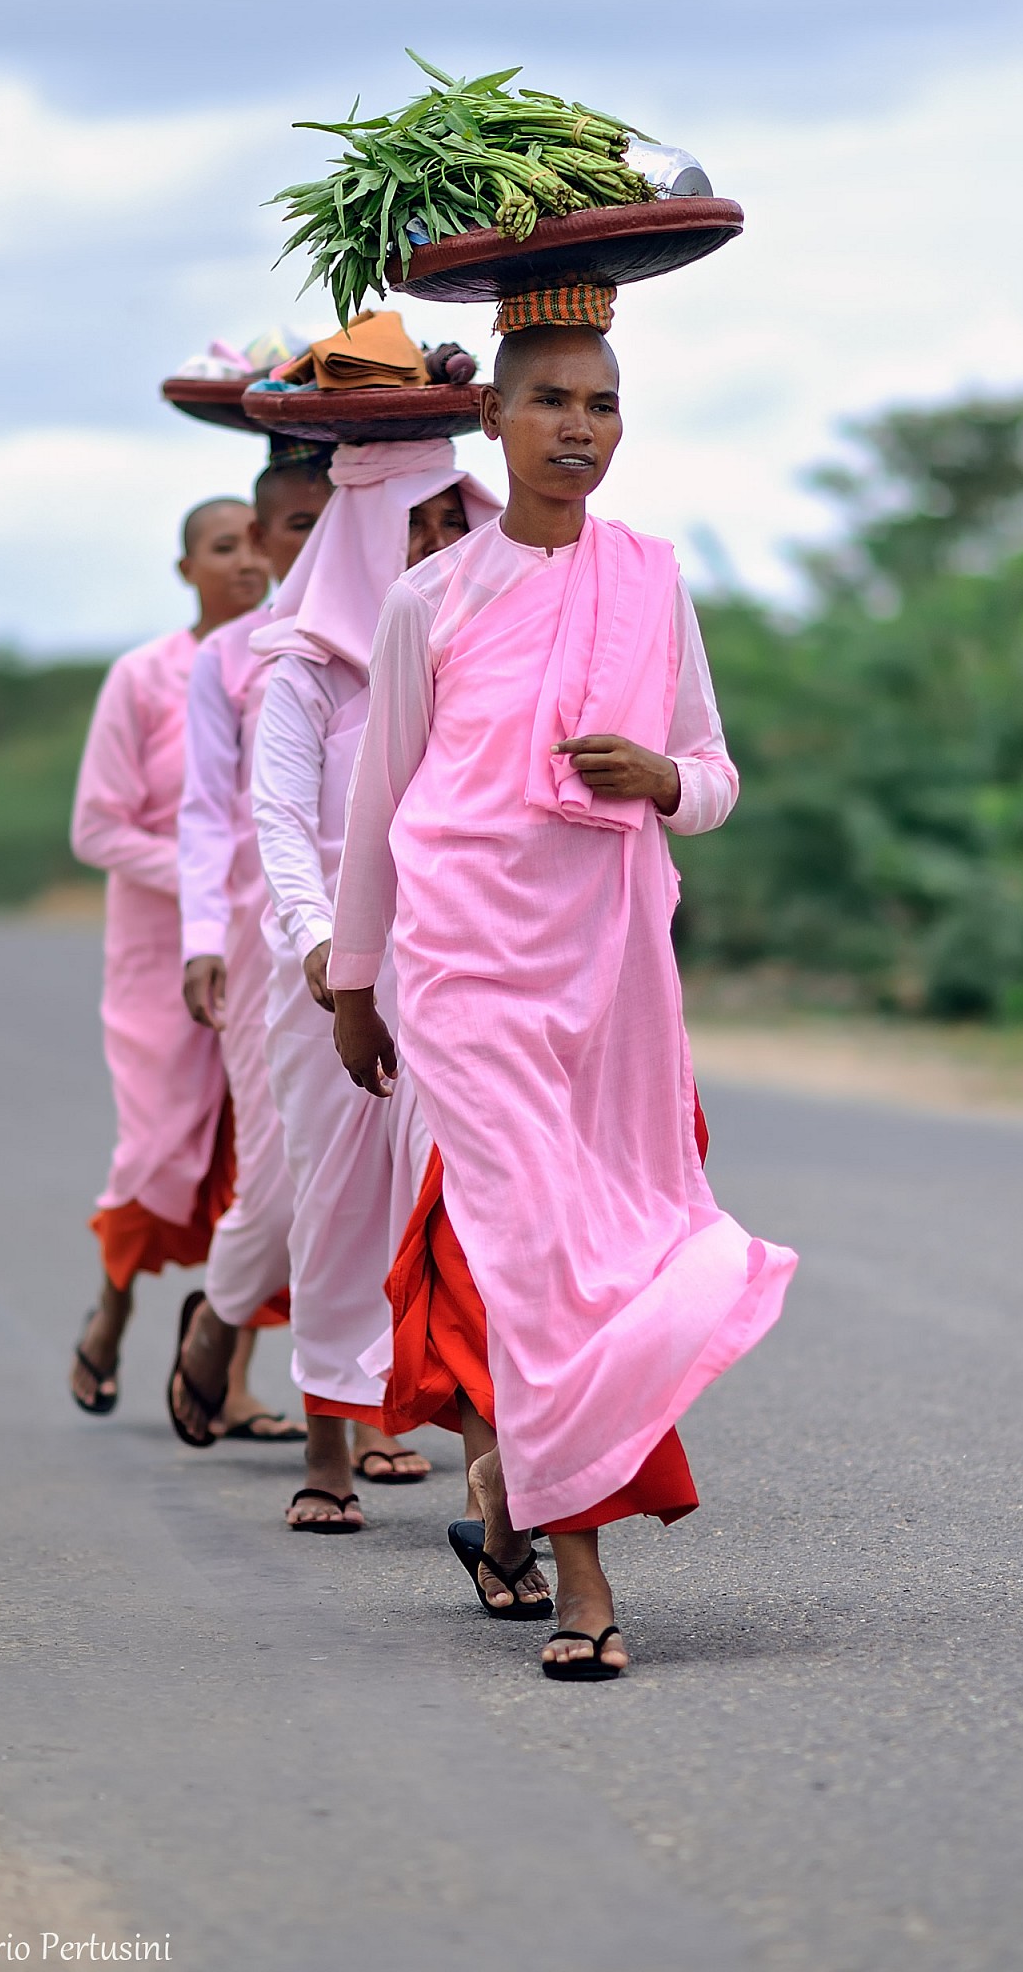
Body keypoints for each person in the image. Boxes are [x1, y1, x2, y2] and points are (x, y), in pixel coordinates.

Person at [329, 288, 796, 1677]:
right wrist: (358, 987)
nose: (577, 427)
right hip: (462, 971)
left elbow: (711, 774)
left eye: (600, 404)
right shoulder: (431, 597)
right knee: (533, 1261)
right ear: (493, 418)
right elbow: (377, 806)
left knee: (615, 1251)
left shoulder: (650, 579)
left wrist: (661, 782)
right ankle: (584, 1581)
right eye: (550, 400)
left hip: (609, 976)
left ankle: (505, 1489)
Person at [248, 439, 501, 1529]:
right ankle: (326, 1449)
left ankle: (490, 1473)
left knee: (454, 1212)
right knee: (333, 1201)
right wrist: (320, 946)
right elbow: (281, 823)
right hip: (324, 978)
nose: (443, 546)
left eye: (456, 522)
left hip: (454, 966)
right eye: (419, 524)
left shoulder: (484, 642)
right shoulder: (302, 667)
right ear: (363, 536)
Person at [69, 498, 268, 1416]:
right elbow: (96, 828)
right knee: (159, 1148)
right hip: (161, 952)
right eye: (221, 548)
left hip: (261, 939)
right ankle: (111, 1307)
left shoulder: (282, 662)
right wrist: (208, 878)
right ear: (185, 568)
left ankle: (227, 1381)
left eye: (256, 543)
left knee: (254, 1150)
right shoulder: (144, 677)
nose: (245, 562)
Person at [168, 441, 335, 1447]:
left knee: (389, 1175)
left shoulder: (402, 628)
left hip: (386, 929)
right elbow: (201, 814)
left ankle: (361, 1416)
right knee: (278, 1173)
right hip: (257, 928)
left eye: (339, 520)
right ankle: (224, 1309)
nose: (321, 542)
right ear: (267, 539)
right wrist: (200, 938)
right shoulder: (226, 659)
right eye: (300, 525)